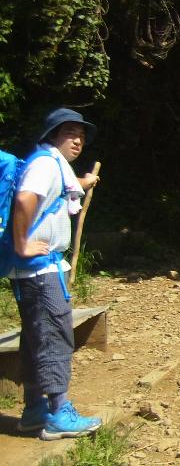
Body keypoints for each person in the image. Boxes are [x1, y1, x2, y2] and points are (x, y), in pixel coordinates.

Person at [6, 108, 101, 439]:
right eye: (69, 133)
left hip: (38, 270)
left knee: (36, 338)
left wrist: (86, 182)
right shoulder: (45, 165)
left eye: (81, 136)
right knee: (55, 335)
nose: (78, 140)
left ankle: (35, 410)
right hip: (40, 270)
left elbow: (67, 187)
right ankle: (59, 413)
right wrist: (22, 243)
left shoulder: (52, 164)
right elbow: (25, 198)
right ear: (51, 136)